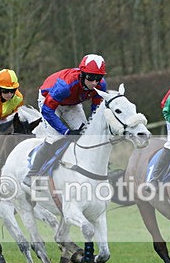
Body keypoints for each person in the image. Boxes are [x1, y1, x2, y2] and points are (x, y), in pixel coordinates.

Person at [22, 54, 108, 187]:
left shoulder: (101, 86)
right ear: (82, 74)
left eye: (98, 78)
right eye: (91, 78)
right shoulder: (65, 85)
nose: (94, 83)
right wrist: (66, 132)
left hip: (71, 103)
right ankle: (32, 174)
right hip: (49, 102)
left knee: (86, 136)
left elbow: (95, 109)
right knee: (55, 138)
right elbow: (47, 110)